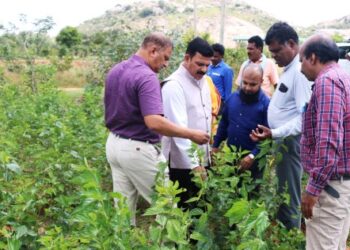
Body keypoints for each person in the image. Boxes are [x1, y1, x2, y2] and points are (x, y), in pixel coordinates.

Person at [104, 33, 210, 225]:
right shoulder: (147, 76)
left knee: (123, 211)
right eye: (166, 58)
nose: (165, 64)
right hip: (138, 149)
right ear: (153, 50)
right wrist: (191, 133)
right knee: (168, 211)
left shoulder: (116, 70)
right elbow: (154, 121)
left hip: (113, 145)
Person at [249, 22, 312, 230]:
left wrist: (275, 132)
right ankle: (286, 225)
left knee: (289, 189)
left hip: (289, 142)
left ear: (292, 44)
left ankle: (290, 232)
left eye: (277, 51)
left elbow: (304, 117)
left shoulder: (300, 72)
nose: (273, 56)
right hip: (281, 140)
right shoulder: (289, 69)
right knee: (283, 185)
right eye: (271, 51)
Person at [299, 34, 350, 250]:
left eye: (301, 60)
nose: (300, 68)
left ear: (312, 57)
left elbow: (329, 141)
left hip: (330, 188)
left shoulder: (327, 82)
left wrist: (313, 190)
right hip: (339, 184)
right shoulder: (343, 76)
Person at [161, 37, 213, 209]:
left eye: (207, 65)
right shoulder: (174, 85)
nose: (204, 69)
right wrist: (195, 165)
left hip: (202, 158)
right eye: (199, 64)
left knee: (201, 210)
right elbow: (178, 130)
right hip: (183, 165)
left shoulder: (203, 81)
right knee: (186, 213)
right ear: (187, 58)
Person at [213, 63, 269, 193]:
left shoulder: (265, 105)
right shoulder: (233, 98)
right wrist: (215, 145)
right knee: (230, 193)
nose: (247, 87)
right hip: (231, 157)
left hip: (253, 162)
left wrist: (252, 156)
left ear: (261, 82)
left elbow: (267, 139)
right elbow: (224, 124)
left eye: (253, 84)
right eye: (245, 83)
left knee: (250, 198)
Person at [207, 43, 234, 110]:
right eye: (211, 56)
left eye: (215, 56)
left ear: (222, 56)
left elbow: (228, 91)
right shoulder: (207, 67)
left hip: (219, 103)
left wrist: (226, 107)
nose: (212, 58)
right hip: (207, 100)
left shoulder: (227, 70)